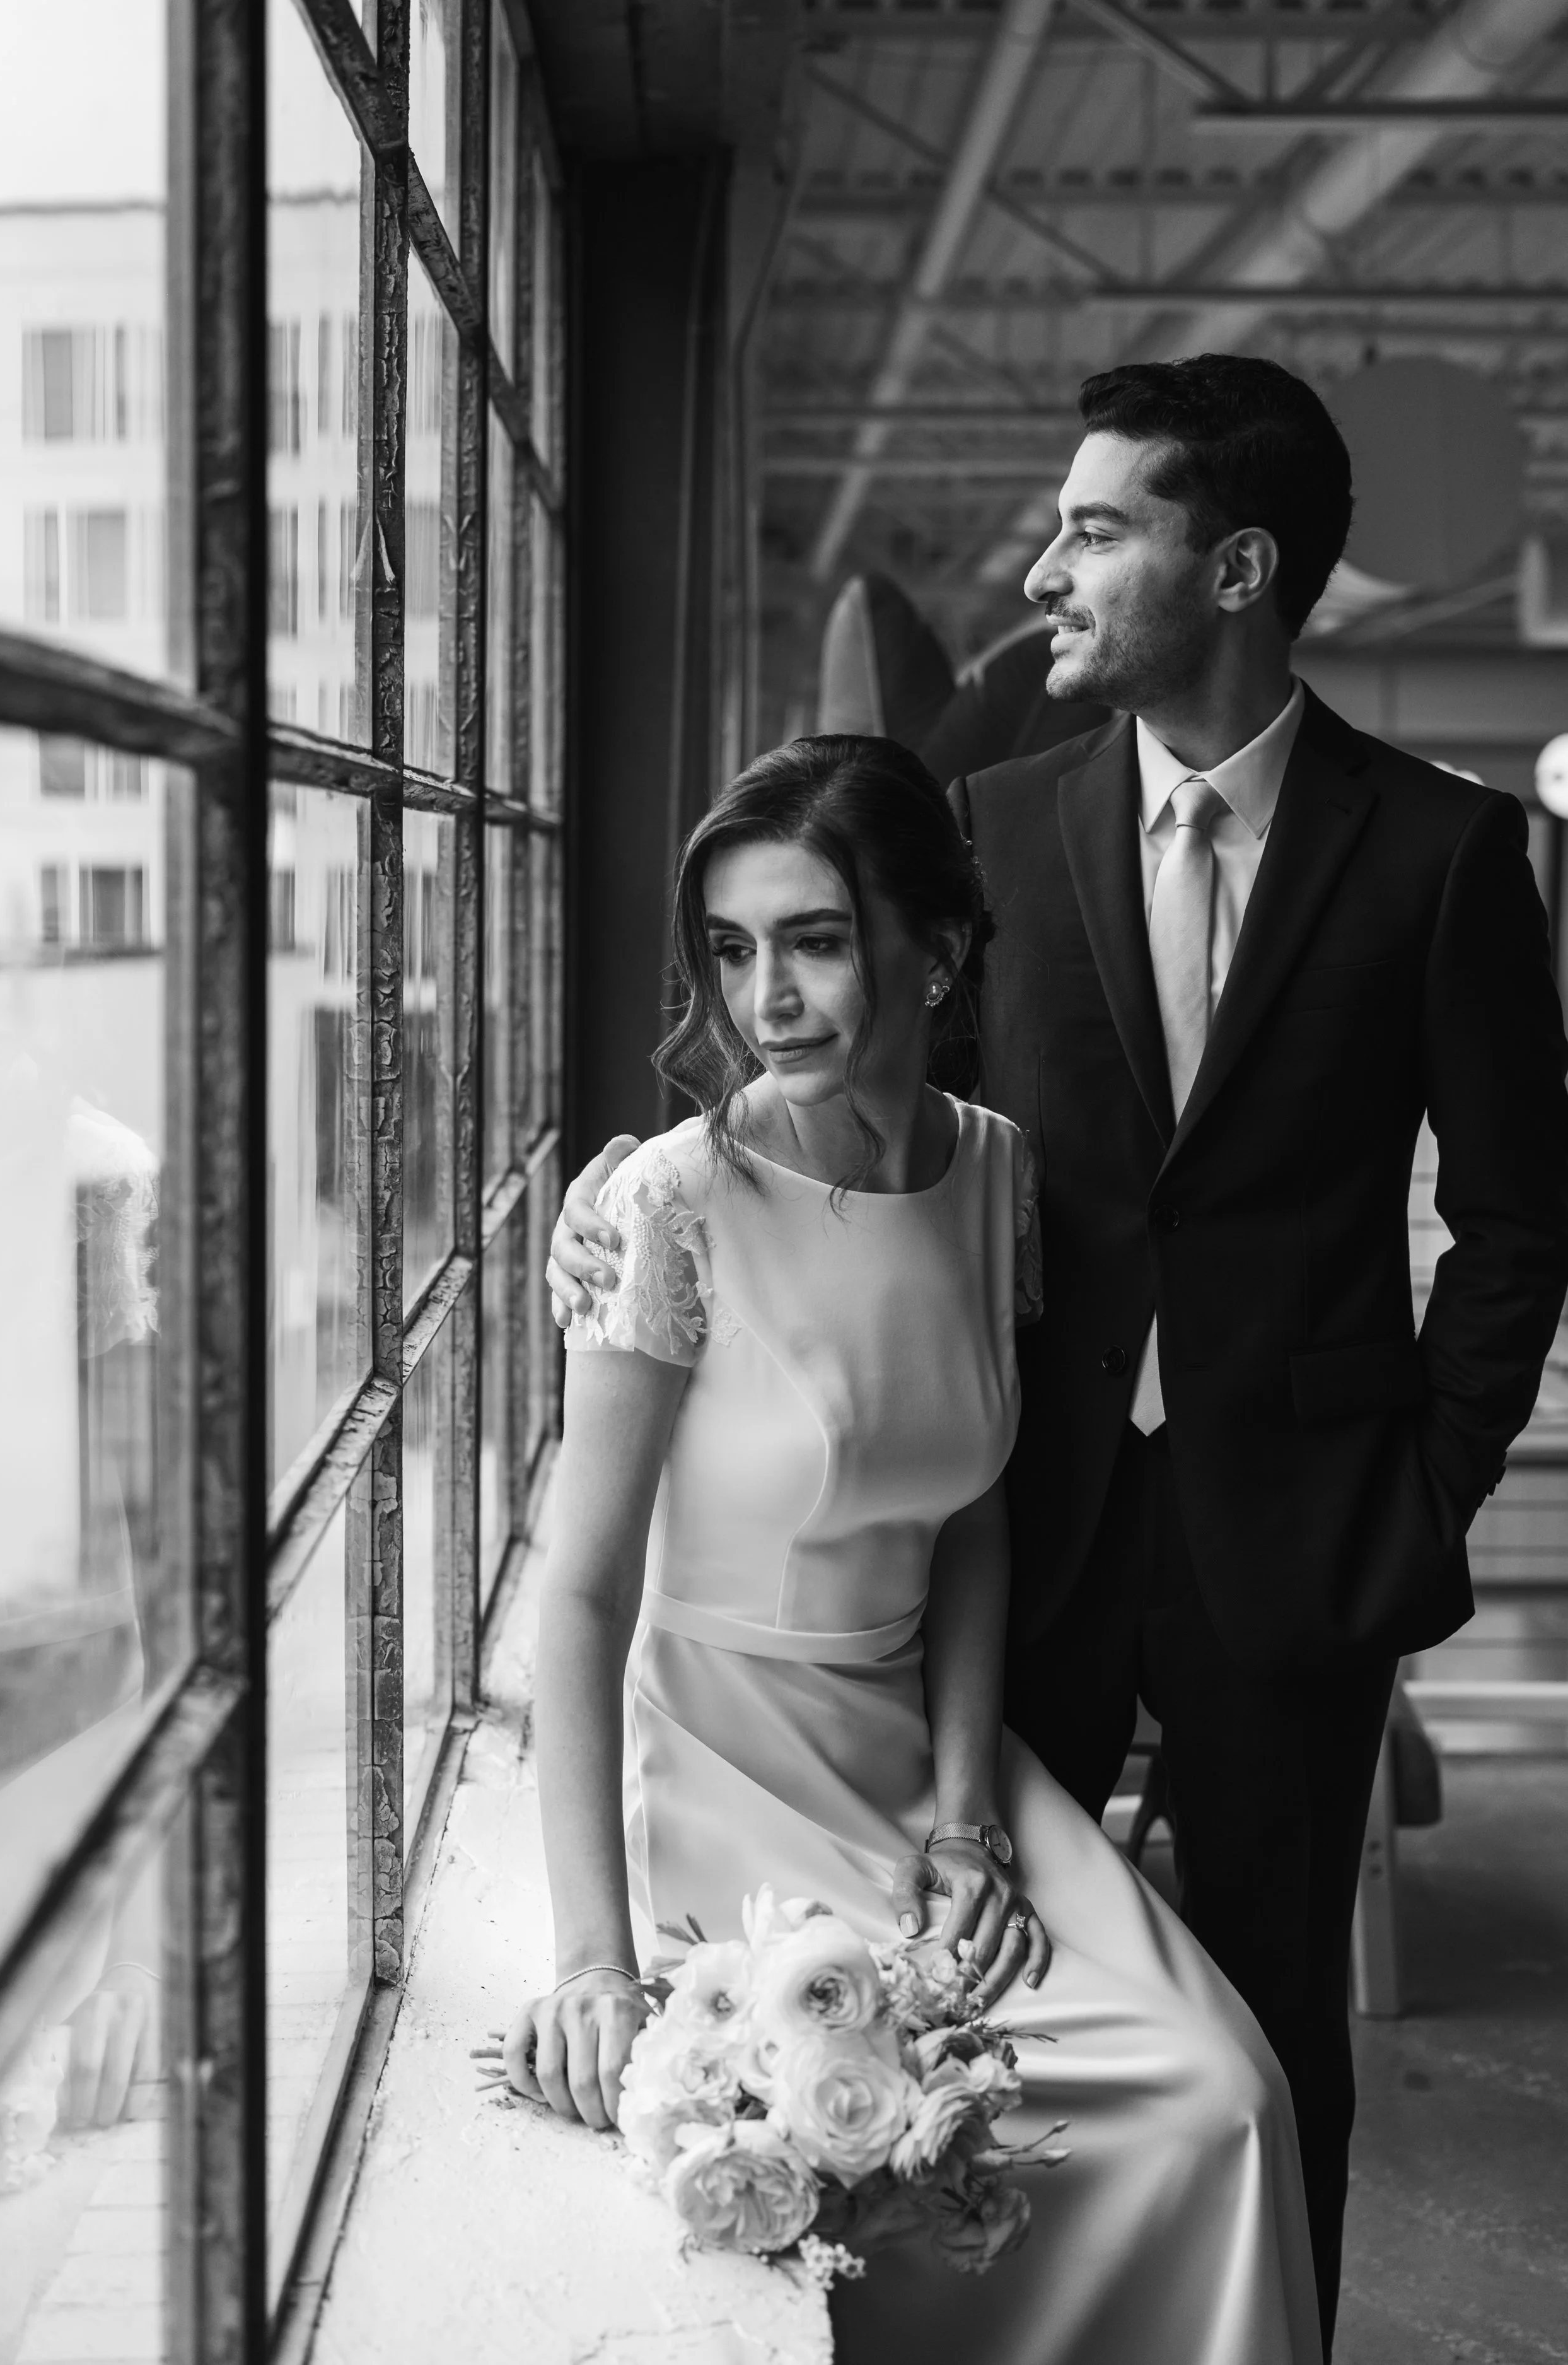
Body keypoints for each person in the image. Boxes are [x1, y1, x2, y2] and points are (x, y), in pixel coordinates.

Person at [545, 355, 1568, 2356]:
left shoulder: (1440, 854)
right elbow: (823, 1063)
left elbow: (1519, 1216)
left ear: (1239, 563)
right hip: (1016, 1533)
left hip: (1301, 1540)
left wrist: (1422, 1499)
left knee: (1268, 2034)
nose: (1049, 566)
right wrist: (614, 1176)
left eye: (1098, 528)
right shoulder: (996, 826)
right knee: (950, 2032)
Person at [506, 736, 1321, 2364]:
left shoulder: (996, 1172)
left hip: (923, 1757)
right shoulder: (668, 1202)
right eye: (733, 953)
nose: (769, 998)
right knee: (868, 2159)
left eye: (814, 940)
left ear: (933, 952)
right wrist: (593, 1963)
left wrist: (970, 1830)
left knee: (1226, 2093)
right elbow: (585, 1594)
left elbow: (969, 1524)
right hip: (724, 1764)